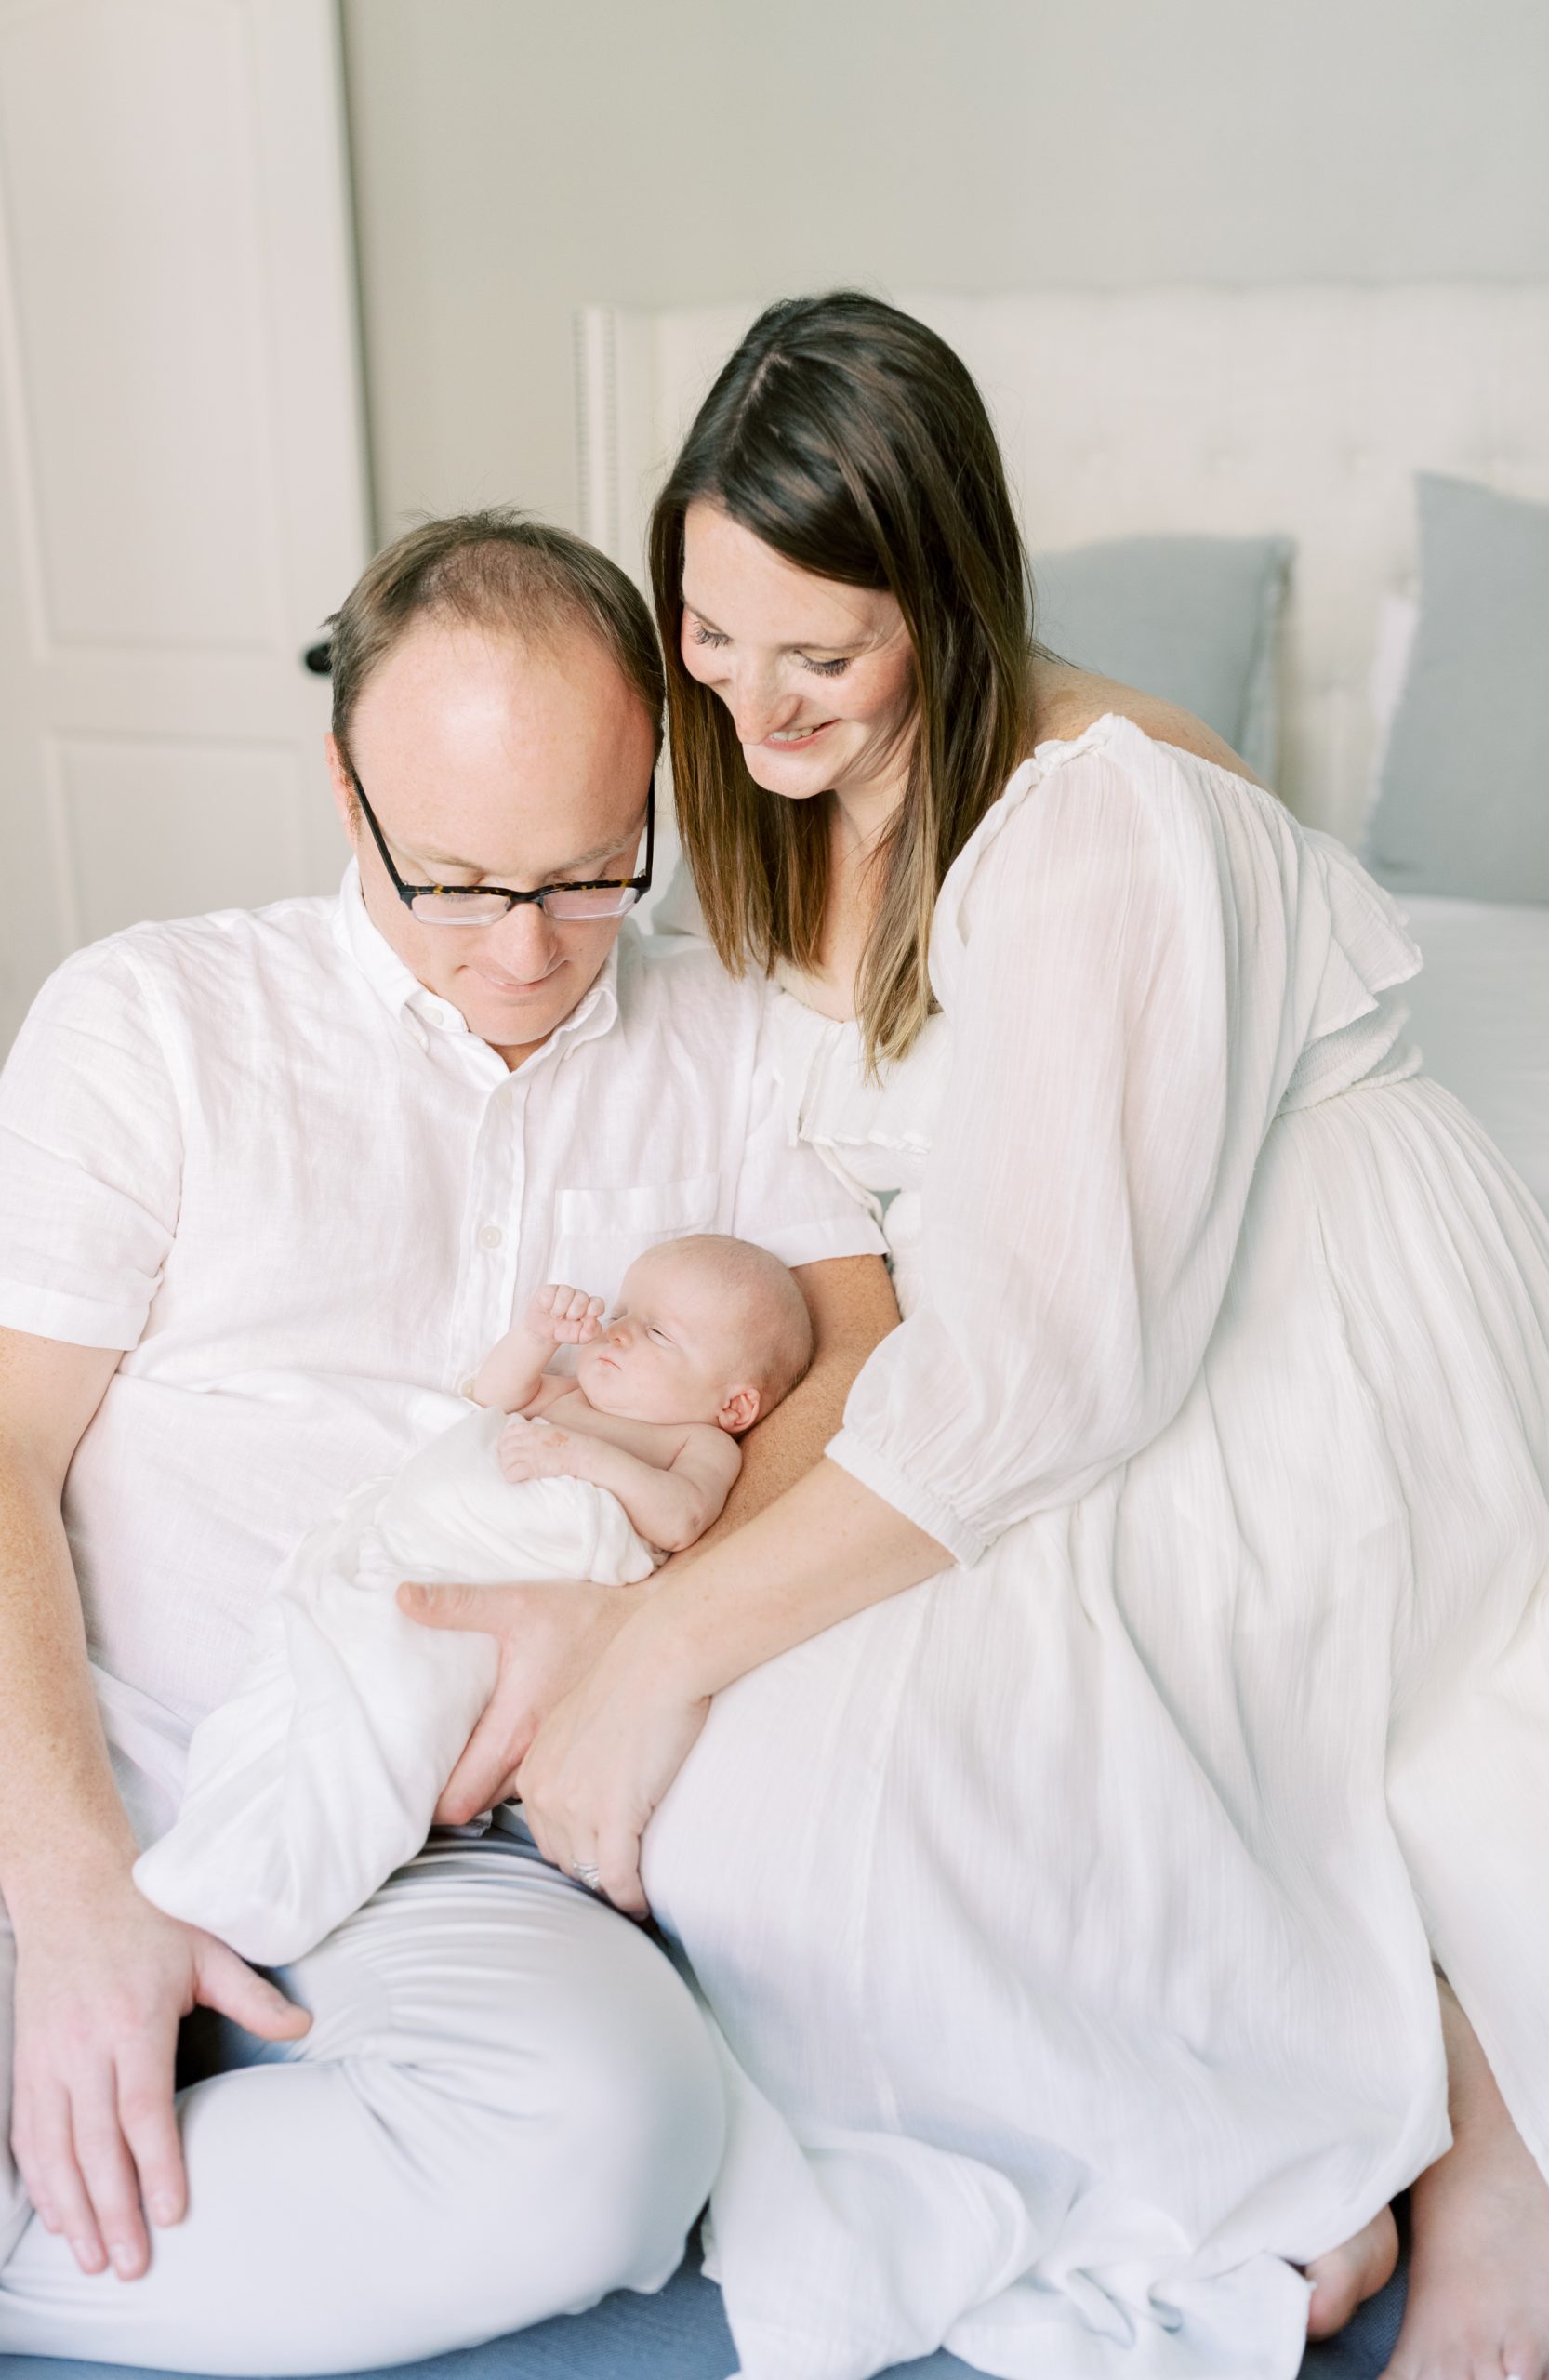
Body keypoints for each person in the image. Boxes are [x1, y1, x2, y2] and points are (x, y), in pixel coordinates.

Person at [505, 295, 1549, 2380]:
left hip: (1300, 1316)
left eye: (822, 656)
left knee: (865, 1783)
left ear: (945, 601)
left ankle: (1391, 2099)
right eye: (713, 637)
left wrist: (658, 1641)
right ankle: (1283, 2100)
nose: (753, 702)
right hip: (1062, 1320)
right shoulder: (787, 792)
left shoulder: (1105, 822)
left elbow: (1053, 1371)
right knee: (792, 1792)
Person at [0, 512, 893, 2371]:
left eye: (589, 874)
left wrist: (646, 1632)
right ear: (347, 793)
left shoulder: (742, 1037)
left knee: (616, 2138)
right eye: (463, 886)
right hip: (93, 1751)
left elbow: (860, 1376)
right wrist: (73, 1892)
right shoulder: (153, 1019)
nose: (525, 952)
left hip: (435, 1847)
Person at [134, 1237, 814, 1967]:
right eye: (621, 1312)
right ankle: (199, 1844)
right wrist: (536, 1335)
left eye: (655, 1332)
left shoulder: (697, 1445)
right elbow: (493, 1395)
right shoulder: (569, 1394)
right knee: (280, 1689)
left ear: (734, 1404)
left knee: (385, 1723)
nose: (616, 1333)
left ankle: (269, 1895)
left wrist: (577, 1457)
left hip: (481, 1601)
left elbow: (679, 1518)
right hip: (399, 1554)